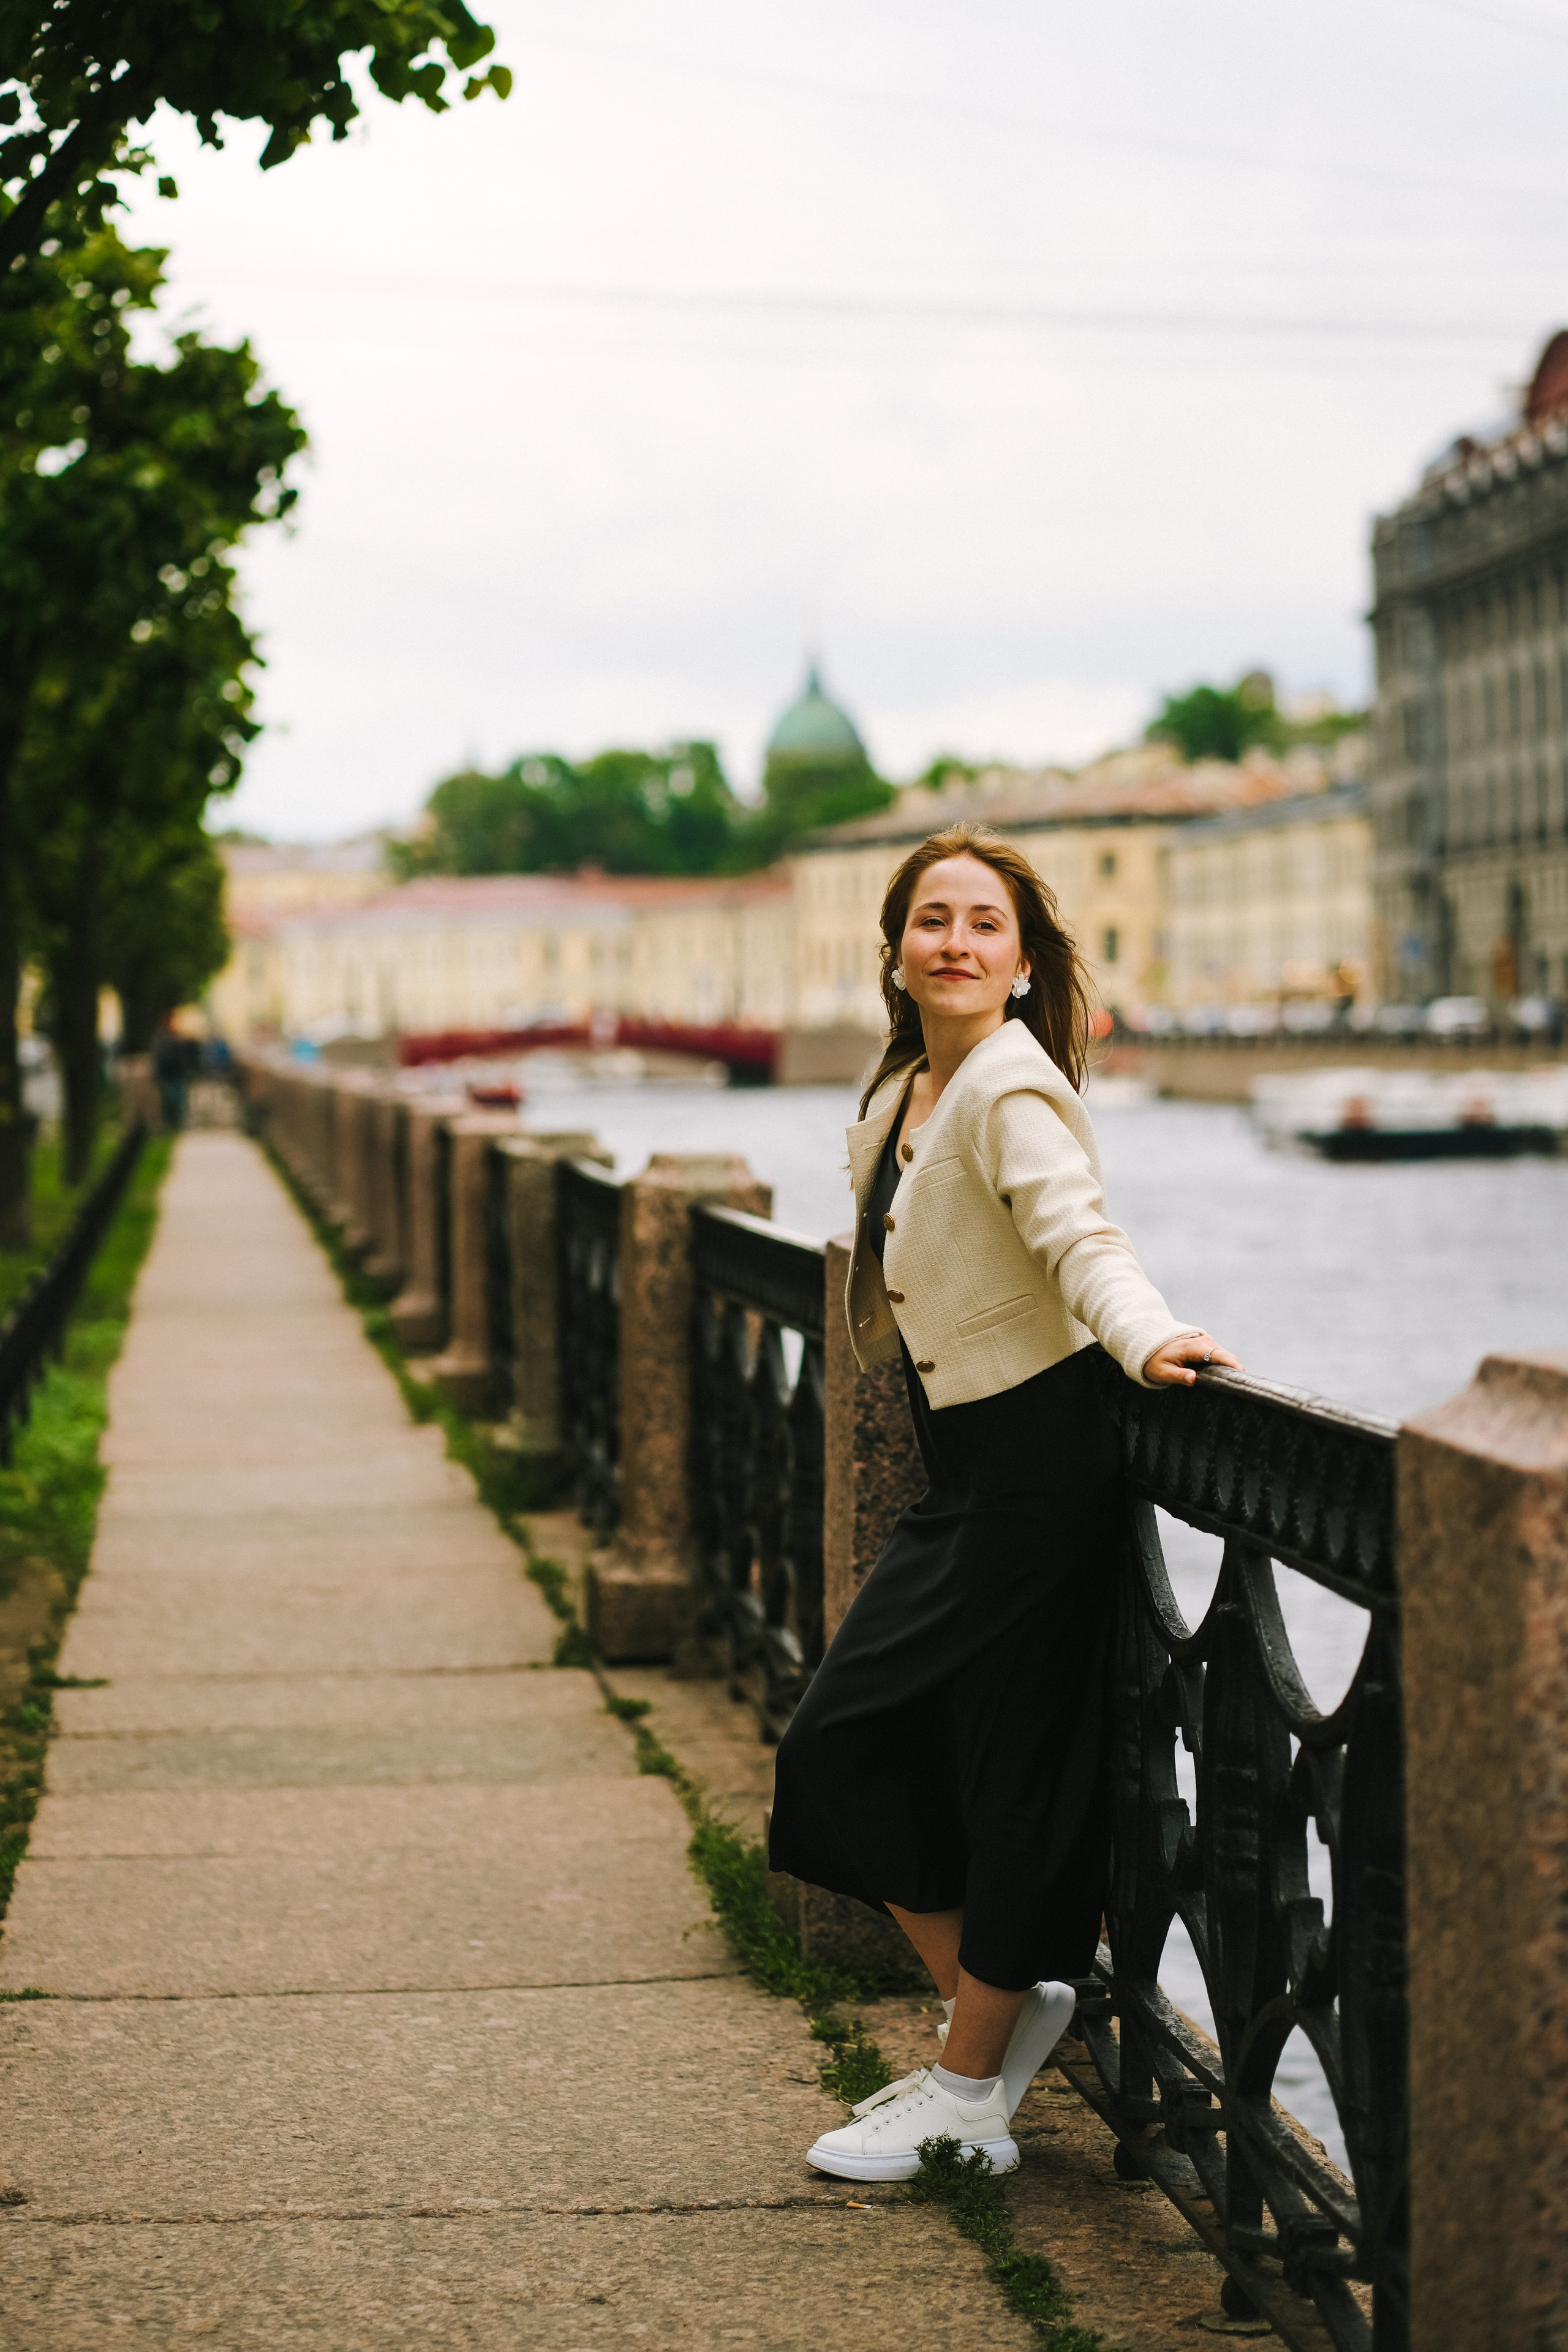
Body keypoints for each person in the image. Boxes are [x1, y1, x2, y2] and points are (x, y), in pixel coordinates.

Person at [769, 823, 1240, 2184]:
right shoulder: (913, 1082)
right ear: (896, 948)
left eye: (984, 924)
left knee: (955, 1758)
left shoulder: (1008, 1087)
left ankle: (968, 2090)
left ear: (1020, 960)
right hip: (968, 1467)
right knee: (883, 1749)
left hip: (1041, 1467)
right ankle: (1005, 2007)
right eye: (933, 920)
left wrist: (1143, 1335)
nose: (956, 943)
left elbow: (1075, 1231)